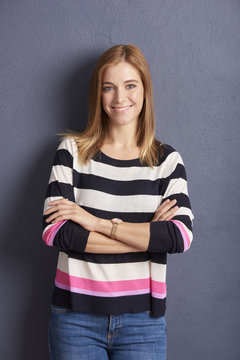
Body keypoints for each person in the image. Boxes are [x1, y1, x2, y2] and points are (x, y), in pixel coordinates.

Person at [42, 44, 194, 360]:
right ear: (98, 94)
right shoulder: (71, 152)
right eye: (108, 87)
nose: (119, 98)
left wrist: (95, 223)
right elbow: (59, 234)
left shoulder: (166, 161)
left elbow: (178, 237)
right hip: (74, 317)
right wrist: (148, 235)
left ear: (145, 91)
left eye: (130, 86)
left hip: (144, 322)